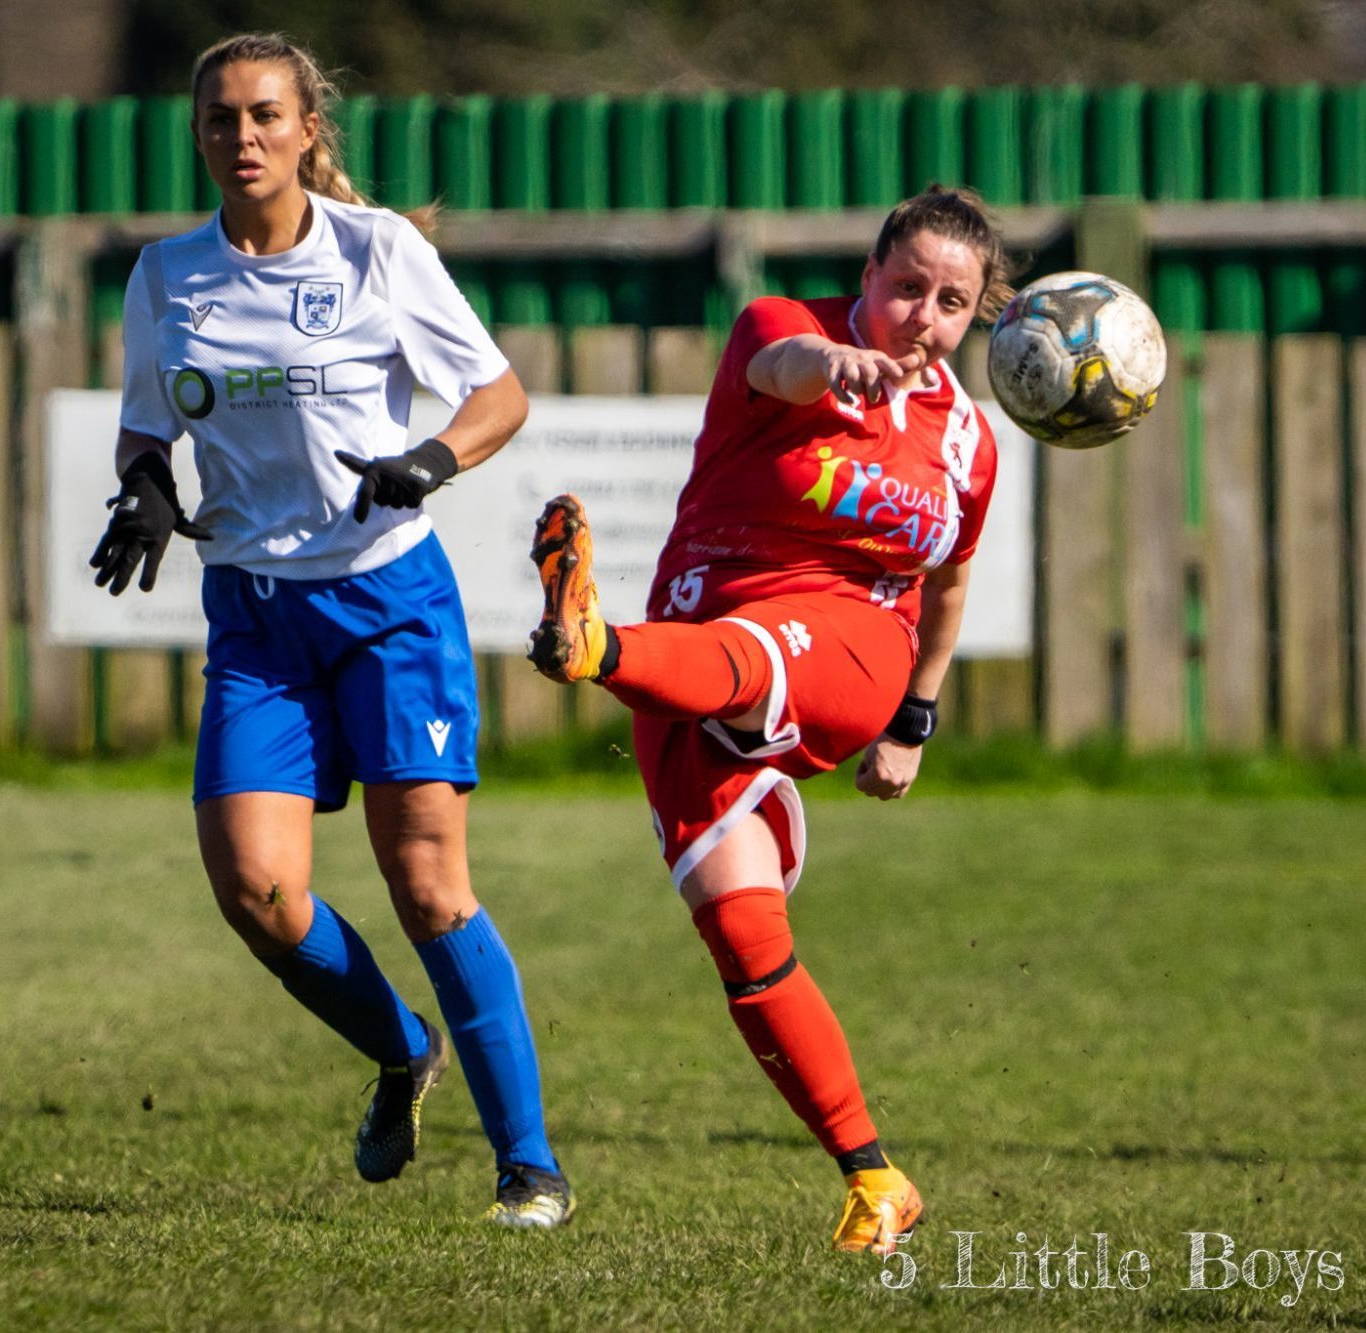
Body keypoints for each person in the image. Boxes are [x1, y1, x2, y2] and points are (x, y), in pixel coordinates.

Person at [89, 32, 571, 1228]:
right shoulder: (167, 276)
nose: (240, 137)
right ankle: (406, 1049)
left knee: (427, 883)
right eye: (218, 119)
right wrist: (145, 484)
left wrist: (429, 457)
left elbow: (498, 395)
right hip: (253, 617)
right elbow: (147, 425)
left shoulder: (379, 250)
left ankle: (529, 1165)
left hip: (387, 600)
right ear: (197, 135)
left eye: (263, 115)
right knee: (256, 889)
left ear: (309, 129)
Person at [525, 186, 1010, 1256]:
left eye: (951, 301)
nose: (921, 316)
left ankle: (594, 645)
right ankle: (876, 1179)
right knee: (741, 931)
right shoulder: (781, 327)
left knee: (754, 655)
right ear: (868, 274)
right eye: (905, 288)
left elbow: (952, 582)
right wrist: (829, 366)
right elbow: (780, 366)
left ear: (977, 315)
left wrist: (914, 722)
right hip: (698, 644)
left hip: (849, 646)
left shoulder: (970, 444)